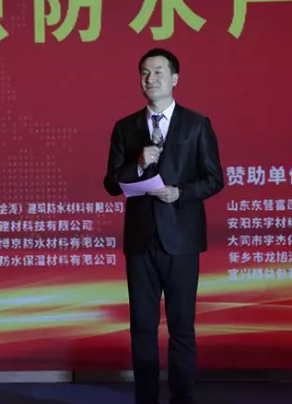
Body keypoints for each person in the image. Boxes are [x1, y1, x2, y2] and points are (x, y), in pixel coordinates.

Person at [103, 48, 225, 404]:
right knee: (142, 329)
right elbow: (111, 184)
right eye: (144, 72)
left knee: (181, 329)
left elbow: (214, 179)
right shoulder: (125, 127)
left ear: (174, 79)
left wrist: (180, 193)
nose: (150, 79)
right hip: (141, 242)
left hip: (181, 240)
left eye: (158, 72)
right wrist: (139, 165)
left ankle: (182, 398)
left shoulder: (196, 124)